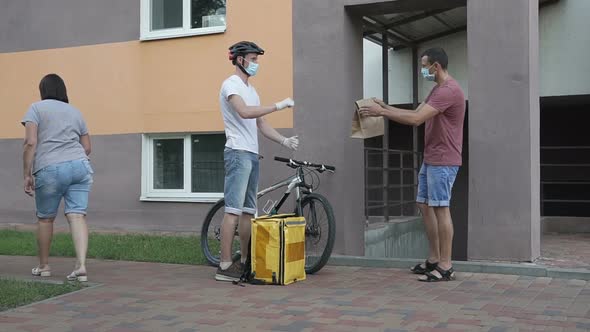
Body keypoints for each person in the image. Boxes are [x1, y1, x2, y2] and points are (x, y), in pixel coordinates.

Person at [359, 47, 466, 282]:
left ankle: (446, 265)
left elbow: (416, 120)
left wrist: (382, 112)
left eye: (424, 65)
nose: (422, 70)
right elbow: (416, 112)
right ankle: (434, 259)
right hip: (432, 158)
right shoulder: (437, 90)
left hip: (443, 159)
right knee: (424, 204)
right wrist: (384, 107)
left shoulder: (448, 91)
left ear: (435, 66)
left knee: (440, 207)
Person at [215, 41, 299, 282]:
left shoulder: (252, 90)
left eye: (257, 60)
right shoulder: (230, 85)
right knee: (233, 208)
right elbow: (244, 112)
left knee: (248, 211)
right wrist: (278, 105)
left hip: (252, 154)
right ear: (240, 60)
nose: (256, 64)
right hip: (237, 152)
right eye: (253, 59)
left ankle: (244, 261)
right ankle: (224, 264)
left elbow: (260, 123)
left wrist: (284, 141)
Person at [22, 74, 93, 282]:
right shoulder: (76, 112)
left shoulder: (36, 108)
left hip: (50, 167)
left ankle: (44, 266)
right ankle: (81, 266)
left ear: (42, 90)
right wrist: (71, 160)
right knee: (77, 215)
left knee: (45, 218)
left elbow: (30, 142)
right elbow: (87, 147)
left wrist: (27, 174)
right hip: (80, 166)